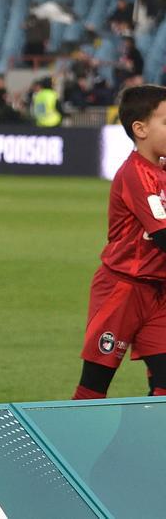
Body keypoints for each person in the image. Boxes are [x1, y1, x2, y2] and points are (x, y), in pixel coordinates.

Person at [72, 85, 166, 401]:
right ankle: (67, 449)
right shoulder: (137, 174)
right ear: (140, 129)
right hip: (122, 290)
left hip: (158, 292)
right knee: (94, 387)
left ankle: (143, 448)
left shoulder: (161, 170)